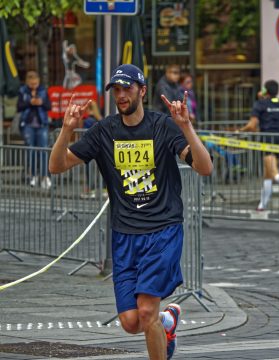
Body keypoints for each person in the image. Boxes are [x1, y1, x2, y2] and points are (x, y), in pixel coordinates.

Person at [49, 64, 213, 360]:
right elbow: (56, 166)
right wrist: (67, 130)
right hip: (124, 235)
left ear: (142, 91)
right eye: (117, 90)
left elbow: (205, 167)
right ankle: (167, 324)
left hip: (163, 229)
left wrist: (186, 126)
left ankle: (159, 327)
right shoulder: (104, 131)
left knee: (147, 309)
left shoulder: (162, 126)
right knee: (131, 322)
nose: (122, 95)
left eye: (127, 88)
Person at [238, 80, 279, 210]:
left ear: (265, 91)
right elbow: (271, 105)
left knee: (273, 174)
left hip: (267, 141)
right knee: (268, 175)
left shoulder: (260, 104)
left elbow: (252, 125)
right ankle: (262, 205)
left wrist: (240, 131)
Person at [17, 70, 52, 189]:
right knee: (30, 150)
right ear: (27, 82)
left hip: (42, 124)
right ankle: (32, 176)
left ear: (38, 82)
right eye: (31, 84)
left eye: (35, 84)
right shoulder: (22, 91)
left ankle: (44, 176)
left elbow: (49, 106)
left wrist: (41, 102)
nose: (33, 86)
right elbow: (19, 107)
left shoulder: (43, 90)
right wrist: (29, 102)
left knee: (43, 150)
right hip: (28, 124)